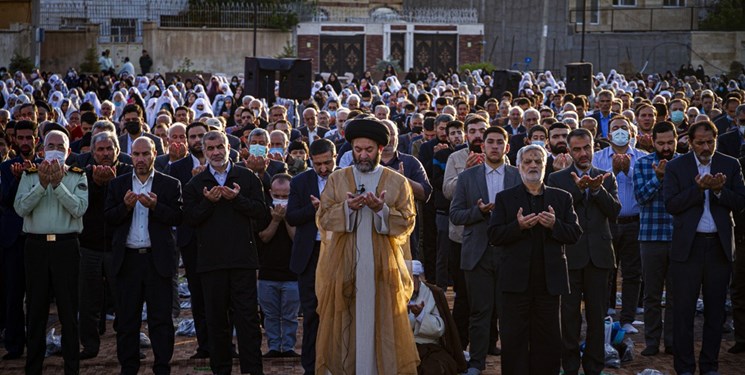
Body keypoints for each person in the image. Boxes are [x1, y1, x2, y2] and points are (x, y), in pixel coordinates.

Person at [315, 117, 418, 374]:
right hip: (344, 268)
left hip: (382, 271)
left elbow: (407, 223)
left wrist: (380, 209)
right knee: (345, 327)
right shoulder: (338, 180)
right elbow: (324, 218)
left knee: (381, 326)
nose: (362, 155)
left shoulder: (397, 181)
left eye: (368, 150)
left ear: (381, 149)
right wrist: (346, 209)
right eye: (358, 149)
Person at [489, 144, 582, 375]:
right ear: (518, 166)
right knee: (513, 341)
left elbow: (574, 234)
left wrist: (554, 225)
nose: (533, 165)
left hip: (549, 285)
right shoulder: (505, 198)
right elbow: (494, 235)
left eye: (537, 161)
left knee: (549, 342)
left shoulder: (562, 198)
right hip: (514, 284)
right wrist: (517, 226)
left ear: (545, 165)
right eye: (528, 161)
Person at [664, 120, 745, 375]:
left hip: (719, 248)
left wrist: (720, 191)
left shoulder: (730, 164)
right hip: (688, 248)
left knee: (716, 313)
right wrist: (698, 189)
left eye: (710, 142)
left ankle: (709, 366)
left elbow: (741, 202)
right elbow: (671, 204)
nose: (706, 147)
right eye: (700, 142)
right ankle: (685, 368)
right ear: (690, 142)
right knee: (684, 312)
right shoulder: (677, 166)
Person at [183, 131, 267, 375]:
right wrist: (209, 202)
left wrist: (237, 199)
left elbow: (261, 214)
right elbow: (189, 220)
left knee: (248, 321)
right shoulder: (195, 184)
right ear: (204, 152)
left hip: (243, 260)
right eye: (210, 148)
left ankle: (253, 370)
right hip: (211, 264)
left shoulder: (246, 177)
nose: (216, 152)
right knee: (217, 322)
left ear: (228, 147)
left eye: (220, 146)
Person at [104, 137, 182, 375]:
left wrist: (156, 207)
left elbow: (178, 218)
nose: (140, 159)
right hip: (128, 260)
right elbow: (108, 218)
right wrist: (124, 207)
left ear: (154, 154)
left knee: (161, 321)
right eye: (136, 154)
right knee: (127, 321)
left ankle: (162, 367)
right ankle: (129, 368)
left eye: (145, 154)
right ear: (130, 155)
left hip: (157, 261)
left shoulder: (169, 184)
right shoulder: (118, 185)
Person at [547, 128, 621, 375]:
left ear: (593, 148)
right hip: (569, 257)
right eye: (576, 149)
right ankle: (569, 368)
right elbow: (557, 215)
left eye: (586, 148)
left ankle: (594, 367)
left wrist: (597, 190)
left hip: (600, 257)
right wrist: (580, 189)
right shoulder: (557, 179)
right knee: (569, 318)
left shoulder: (606, 177)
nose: (582, 153)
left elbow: (615, 212)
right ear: (569, 152)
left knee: (597, 317)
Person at [14, 130, 88, 375]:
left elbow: (78, 209)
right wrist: (41, 185)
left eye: (60, 145)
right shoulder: (30, 174)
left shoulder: (77, 175)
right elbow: (20, 208)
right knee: (35, 312)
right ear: (42, 149)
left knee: (68, 312)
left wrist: (57, 184)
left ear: (68, 151)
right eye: (50, 145)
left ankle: (71, 368)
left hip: (66, 246)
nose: (55, 149)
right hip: (35, 247)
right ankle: (33, 368)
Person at [449, 126, 521, 375]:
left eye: (500, 142)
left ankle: (512, 364)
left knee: (510, 312)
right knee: (480, 311)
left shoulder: (517, 175)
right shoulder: (468, 177)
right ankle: (477, 363)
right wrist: (478, 212)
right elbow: (455, 214)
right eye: (490, 142)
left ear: (507, 148)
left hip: (511, 253)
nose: (494, 146)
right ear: (482, 146)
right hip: (478, 253)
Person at [78, 131, 133, 360]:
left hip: (118, 246)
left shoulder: (126, 173)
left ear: (117, 151)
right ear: (92, 152)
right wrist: (96, 184)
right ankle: (90, 346)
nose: (105, 154)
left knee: (124, 300)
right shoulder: (82, 175)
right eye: (100, 150)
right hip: (89, 246)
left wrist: (111, 184)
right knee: (88, 300)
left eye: (109, 149)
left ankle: (127, 345)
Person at [285, 138, 337, 375]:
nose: (323, 169)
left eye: (327, 163)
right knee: (312, 314)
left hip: (338, 252)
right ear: (311, 162)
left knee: (339, 313)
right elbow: (292, 216)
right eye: (318, 165)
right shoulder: (300, 182)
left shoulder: (346, 179)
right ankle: (311, 368)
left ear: (334, 157)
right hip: (310, 256)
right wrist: (315, 208)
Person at [632, 121, 679, 356]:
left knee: (675, 294)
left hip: (679, 237)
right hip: (650, 237)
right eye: (661, 143)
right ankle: (652, 342)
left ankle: (671, 341)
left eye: (670, 142)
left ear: (677, 140)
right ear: (653, 142)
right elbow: (640, 197)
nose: (666, 147)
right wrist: (658, 177)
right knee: (651, 294)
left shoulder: (684, 163)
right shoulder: (641, 164)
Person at [167, 121, 211, 359]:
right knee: (198, 293)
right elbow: (177, 205)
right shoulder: (177, 168)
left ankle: (226, 345)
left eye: (200, 136)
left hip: (219, 239)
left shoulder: (224, 161)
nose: (196, 140)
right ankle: (204, 346)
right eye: (191, 136)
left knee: (222, 294)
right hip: (191, 239)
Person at [0, 120, 40, 361]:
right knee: (13, 295)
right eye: (21, 138)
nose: (25, 143)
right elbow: (5, 202)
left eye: (29, 138)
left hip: (38, 238)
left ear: (36, 139)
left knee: (37, 296)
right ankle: (14, 345)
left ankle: (36, 344)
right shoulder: (6, 168)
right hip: (13, 240)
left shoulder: (45, 166)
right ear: (15, 140)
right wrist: (17, 179)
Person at [256, 173, 300, 358]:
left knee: (290, 316)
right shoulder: (263, 211)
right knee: (270, 315)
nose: (281, 200)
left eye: (286, 196)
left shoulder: (297, 212)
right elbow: (264, 237)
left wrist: (286, 218)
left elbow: (296, 238)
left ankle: (288, 347)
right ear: (270, 193)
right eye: (277, 196)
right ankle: (274, 347)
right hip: (267, 274)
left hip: (292, 275)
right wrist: (275, 220)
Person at [408, 260, 467, 375]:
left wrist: (420, 315)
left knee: (437, 367)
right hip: (405, 347)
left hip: (429, 346)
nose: (410, 286)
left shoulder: (431, 293)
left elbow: (439, 328)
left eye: (412, 280)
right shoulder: (394, 295)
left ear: (418, 278)